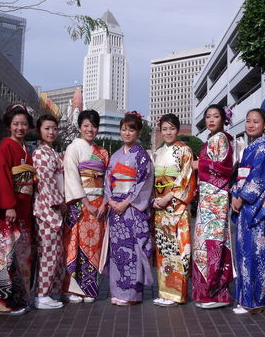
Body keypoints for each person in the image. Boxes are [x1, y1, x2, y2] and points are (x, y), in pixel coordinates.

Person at [230, 109, 265, 314]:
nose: (251, 125)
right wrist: (235, 194)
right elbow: (240, 176)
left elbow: (259, 178)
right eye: (248, 121)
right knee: (244, 251)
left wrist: (242, 197)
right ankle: (245, 298)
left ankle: (254, 300)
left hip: (255, 208)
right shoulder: (250, 148)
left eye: (256, 122)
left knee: (255, 253)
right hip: (244, 205)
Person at [104, 111, 154, 305]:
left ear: (138, 132)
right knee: (117, 251)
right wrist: (110, 201)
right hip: (115, 210)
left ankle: (132, 295)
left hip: (131, 209)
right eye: (124, 129)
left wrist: (126, 202)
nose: (127, 133)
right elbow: (108, 181)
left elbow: (144, 183)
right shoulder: (115, 155)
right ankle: (117, 292)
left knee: (132, 250)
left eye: (131, 130)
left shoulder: (142, 156)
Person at [0, 104, 37, 315]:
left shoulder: (25, 148)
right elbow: (1, 176)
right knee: (6, 253)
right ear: (9, 126)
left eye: (24, 124)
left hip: (24, 207)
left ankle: (19, 298)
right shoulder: (5, 147)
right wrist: (8, 205)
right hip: (11, 208)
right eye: (16, 124)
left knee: (21, 253)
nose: (20, 128)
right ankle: (4, 302)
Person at [63, 110, 110, 303]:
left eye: (94, 126)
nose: (90, 129)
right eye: (86, 125)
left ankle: (89, 288)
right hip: (80, 205)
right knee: (76, 244)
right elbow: (72, 177)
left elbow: (108, 180)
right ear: (79, 127)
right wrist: (86, 203)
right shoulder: (73, 148)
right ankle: (73, 289)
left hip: (98, 204)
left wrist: (105, 201)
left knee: (94, 246)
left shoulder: (102, 152)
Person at [191, 104, 235, 309]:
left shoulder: (221, 139)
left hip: (216, 199)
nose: (211, 120)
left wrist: (198, 164)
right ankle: (206, 293)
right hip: (207, 199)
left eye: (215, 116)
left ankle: (216, 293)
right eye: (208, 116)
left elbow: (224, 168)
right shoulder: (211, 139)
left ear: (223, 119)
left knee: (214, 244)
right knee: (204, 244)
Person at [151, 113, 196, 306]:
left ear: (177, 130)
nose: (168, 132)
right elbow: (154, 179)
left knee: (178, 248)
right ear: (160, 131)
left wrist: (167, 198)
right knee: (163, 248)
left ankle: (176, 293)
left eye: (172, 128)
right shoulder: (159, 152)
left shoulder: (185, 150)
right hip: (160, 206)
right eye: (164, 129)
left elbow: (186, 178)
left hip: (176, 206)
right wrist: (155, 199)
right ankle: (165, 291)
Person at [32, 114, 66, 310]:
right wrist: (60, 202)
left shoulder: (52, 152)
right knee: (47, 253)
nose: (51, 132)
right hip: (47, 208)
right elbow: (46, 182)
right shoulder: (40, 153)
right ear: (39, 130)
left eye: (54, 128)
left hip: (52, 207)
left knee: (54, 252)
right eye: (47, 128)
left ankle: (48, 291)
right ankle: (42, 294)